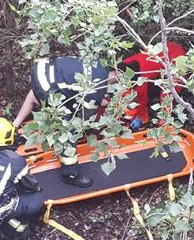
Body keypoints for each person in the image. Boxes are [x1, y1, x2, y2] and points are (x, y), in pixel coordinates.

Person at [13, 57, 119, 187]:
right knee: (67, 129)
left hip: (44, 70)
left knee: (38, 93)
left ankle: (14, 127)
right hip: (49, 85)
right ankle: (70, 173)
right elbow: (85, 120)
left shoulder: (98, 63)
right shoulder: (96, 88)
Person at [118, 41, 186, 128]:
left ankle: (164, 121)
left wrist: (140, 118)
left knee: (167, 94)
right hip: (170, 46)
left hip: (179, 61)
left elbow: (141, 101)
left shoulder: (139, 80)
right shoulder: (124, 65)